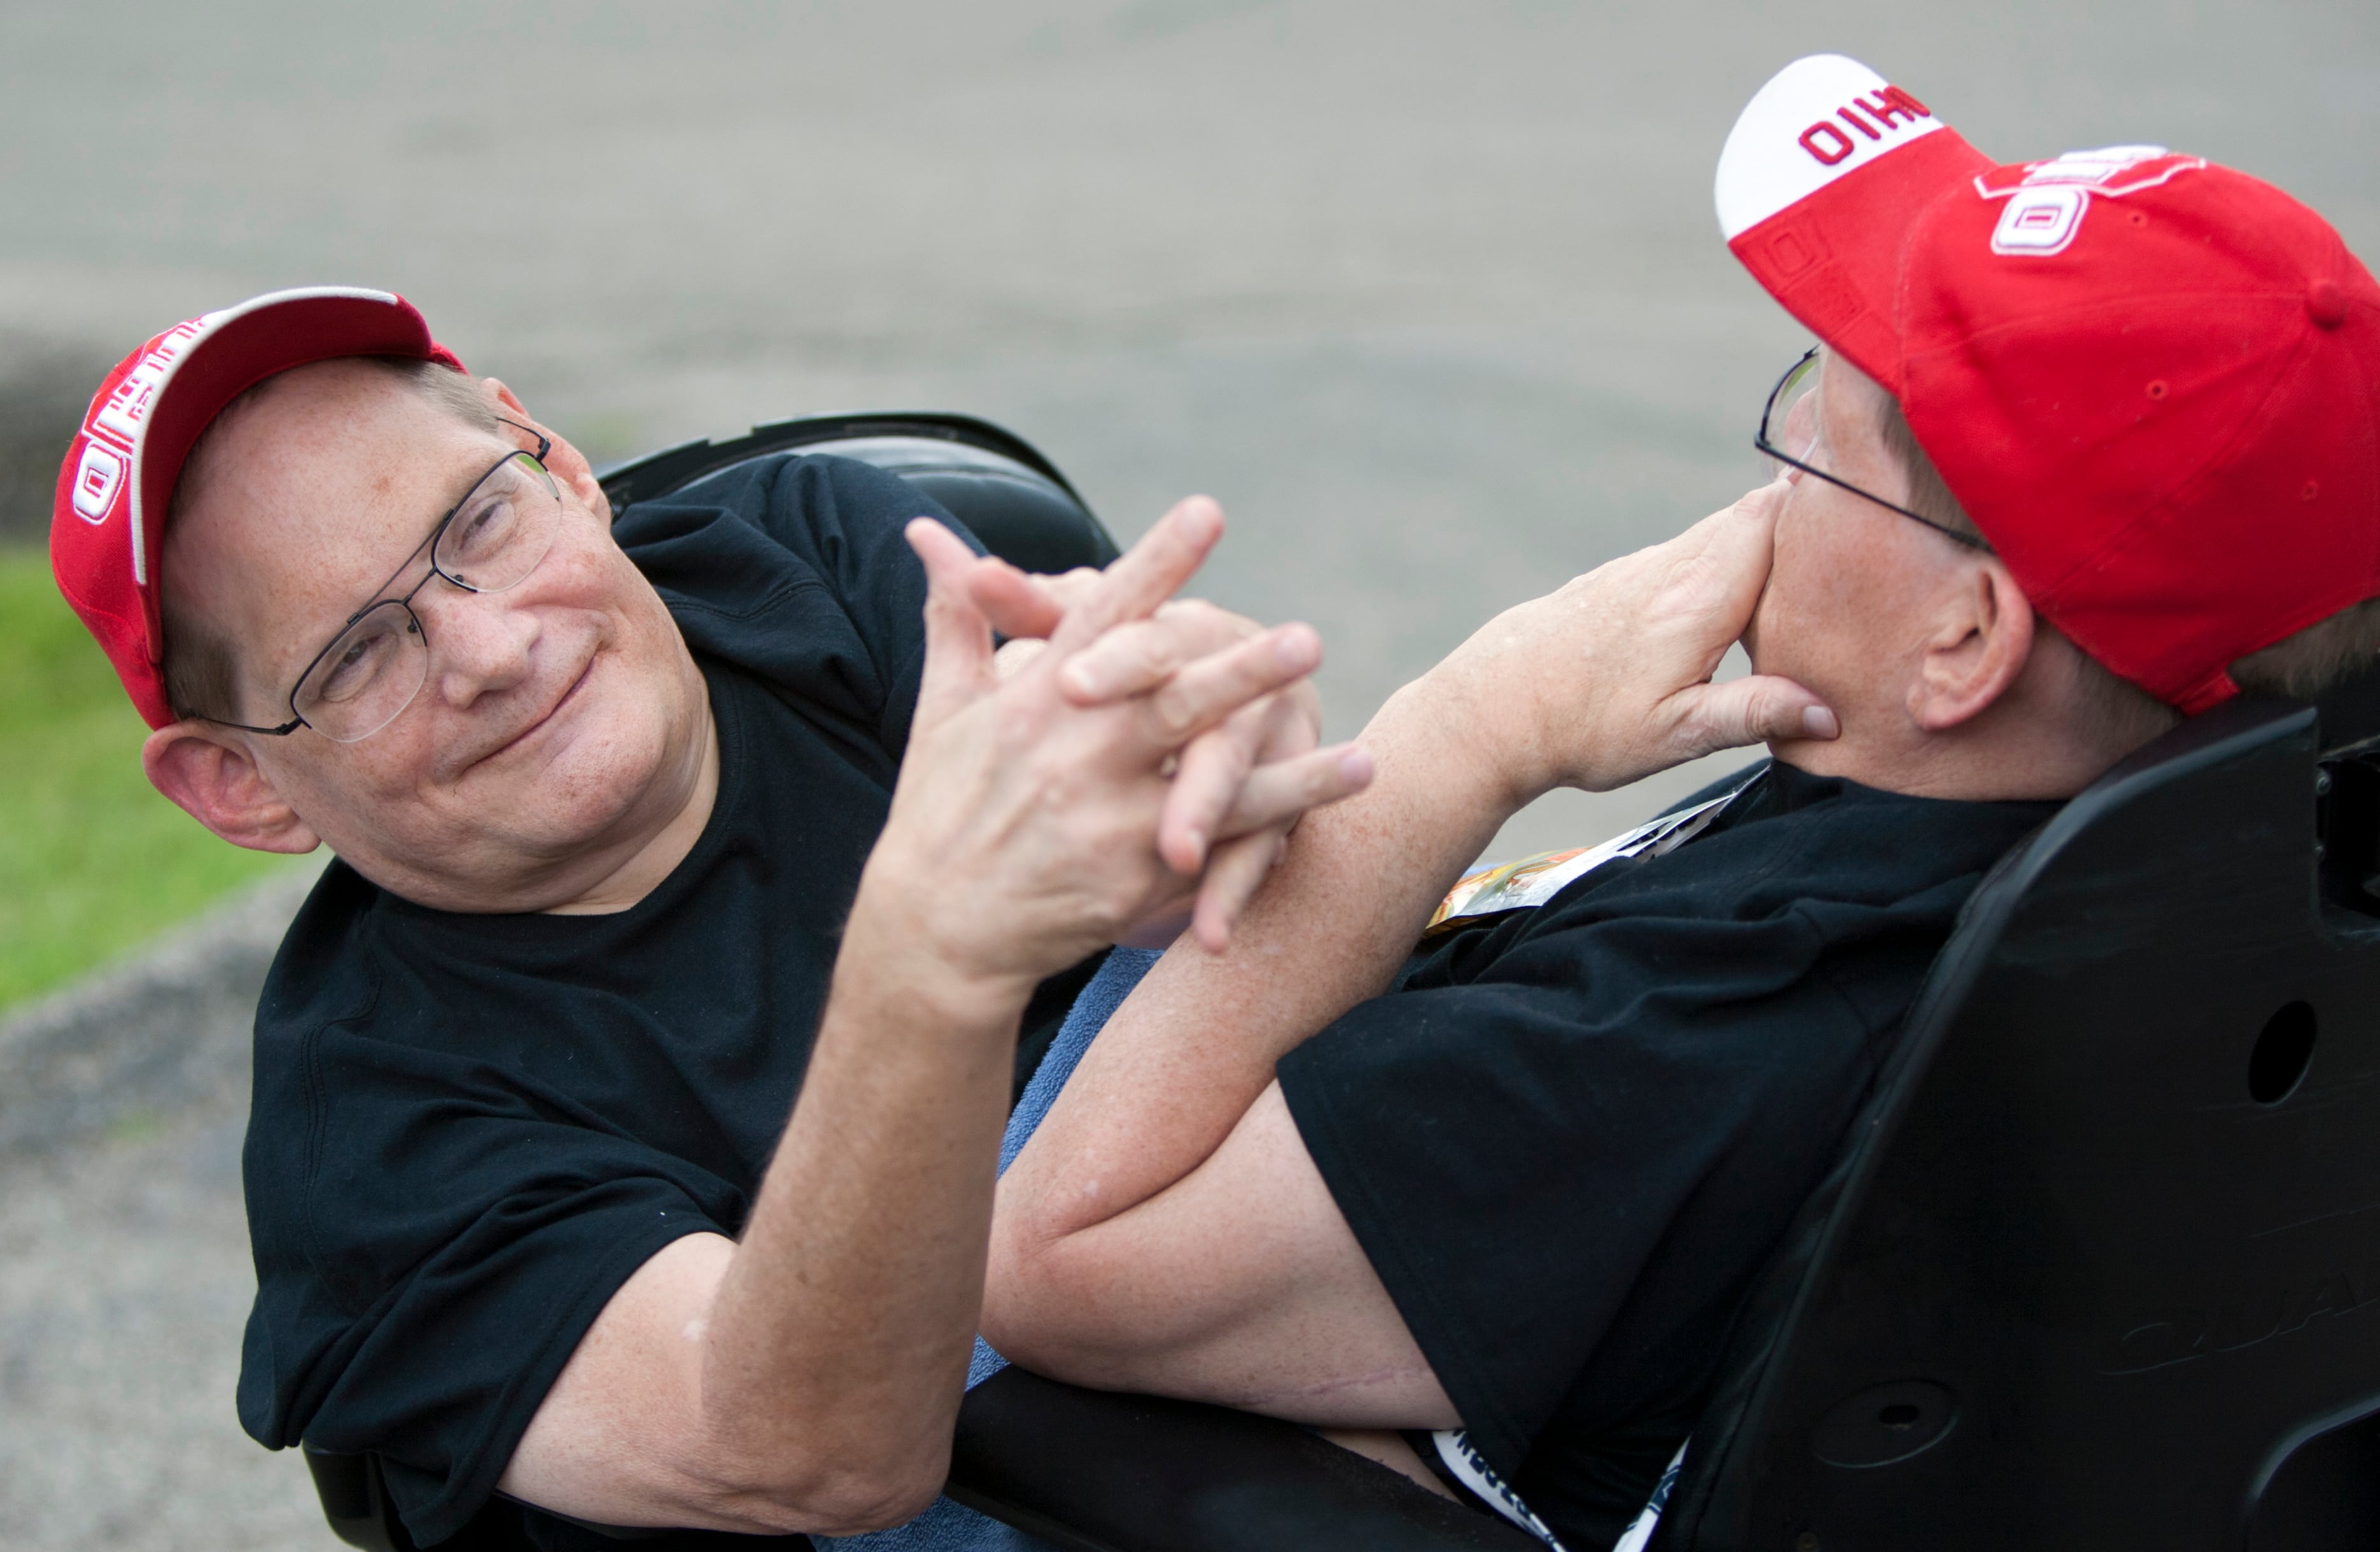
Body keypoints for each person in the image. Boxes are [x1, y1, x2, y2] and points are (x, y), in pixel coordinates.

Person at [978, 53, 2380, 1552]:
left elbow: (1044, 1263)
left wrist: (1469, 731)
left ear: (1964, 643)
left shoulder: (1697, 1025)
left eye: (1810, 435)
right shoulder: (2230, 853)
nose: (1763, 490)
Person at [46, 290, 1372, 1548]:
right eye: (358, 657)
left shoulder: (805, 555)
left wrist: (1210, 765)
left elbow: (1204, 867)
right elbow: (814, 1448)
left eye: (480, 525)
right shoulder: (375, 1151)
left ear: (562, 467)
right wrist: (931, 960)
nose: (495, 652)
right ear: (240, 785)